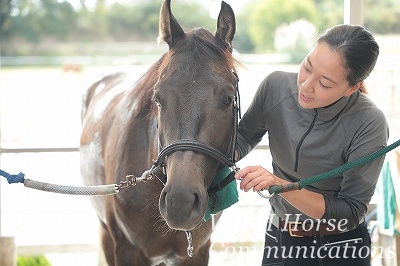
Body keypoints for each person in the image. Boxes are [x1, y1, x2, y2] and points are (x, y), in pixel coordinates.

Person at [234, 24, 388, 266]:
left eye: (325, 84)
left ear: (353, 87)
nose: (305, 86)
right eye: (307, 67)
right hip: (280, 236)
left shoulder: (369, 123)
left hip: (341, 247)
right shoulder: (275, 87)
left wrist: (281, 185)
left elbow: (349, 213)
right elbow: (242, 138)